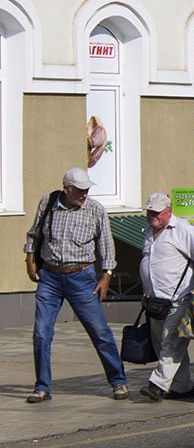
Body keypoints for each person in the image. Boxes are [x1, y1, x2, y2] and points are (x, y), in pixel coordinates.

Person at [22, 167, 128, 403]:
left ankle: (118, 381)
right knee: (41, 332)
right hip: (50, 277)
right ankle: (42, 387)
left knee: (99, 331)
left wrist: (106, 275)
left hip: (81, 277)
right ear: (66, 189)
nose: (84, 194)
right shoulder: (48, 203)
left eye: (87, 189)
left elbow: (106, 244)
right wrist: (30, 260)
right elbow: (34, 234)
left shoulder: (94, 209)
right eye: (79, 190)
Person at [138, 193, 194, 401]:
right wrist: (146, 293)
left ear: (169, 211)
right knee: (164, 344)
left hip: (179, 299)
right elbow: (150, 264)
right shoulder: (149, 231)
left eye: (157, 212)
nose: (152, 215)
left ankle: (157, 385)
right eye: (149, 211)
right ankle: (183, 387)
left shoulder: (183, 229)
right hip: (155, 301)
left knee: (171, 342)